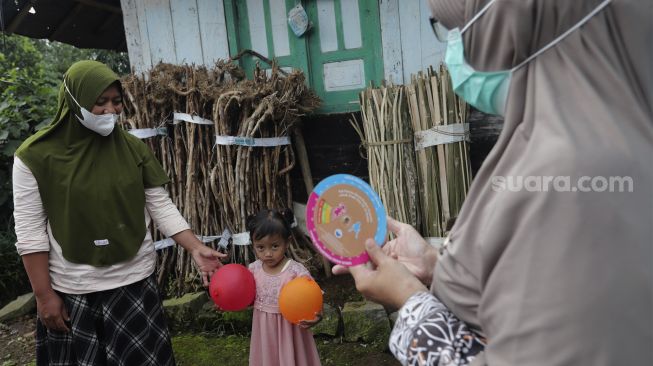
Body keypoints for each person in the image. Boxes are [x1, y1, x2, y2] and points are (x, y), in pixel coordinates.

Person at [336, 0, 653, 365]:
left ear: (512, 30)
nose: (454, 48)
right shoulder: (606, 141)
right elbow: (539, 287)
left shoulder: (569, 176)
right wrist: (435, 264)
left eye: (454, 29)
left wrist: (409, 302)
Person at [12, 60, 226, 365]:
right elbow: (31, 233)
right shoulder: (34, 157)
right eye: (99, 103)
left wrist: (195, 247)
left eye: (116, 102)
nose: (110, 111)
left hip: (134, 281)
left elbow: (159, 204)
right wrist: (44, 296)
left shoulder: (131, 148)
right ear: (74, 100)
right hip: (75, 288)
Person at [247, 209, 322, 366]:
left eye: (274, 246)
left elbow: (313, 297)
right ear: (253, 245)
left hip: (290, 331)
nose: (268, 253)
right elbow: (246, 296)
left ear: (287, 243)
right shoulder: (254, 270)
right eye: (260, 247)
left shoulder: (295, 271)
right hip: (264, 331)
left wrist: (317, 316)